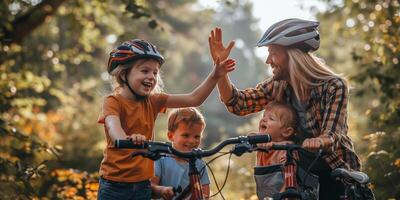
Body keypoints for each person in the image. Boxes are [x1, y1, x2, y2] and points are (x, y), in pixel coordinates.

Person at [208, 18, 361, 199]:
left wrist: (318, 141)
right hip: (296, 172)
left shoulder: (334, 86)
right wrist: (220, 70)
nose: (267, 60)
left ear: (293, 55)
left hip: (334, 169)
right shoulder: (278, 85)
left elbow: (332, 135)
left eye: (272, 53)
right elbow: (238, 103)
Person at [97, 39, 235, 200]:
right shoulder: (113, 101)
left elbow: (194, 98)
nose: (151, 77)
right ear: (124, 74)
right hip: (114, 185)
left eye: (155, 73)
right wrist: (128, 139)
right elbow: (114, 128)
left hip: (143, 185)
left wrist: (216, 74)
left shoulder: (153, 100)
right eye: (145, 71)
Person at [151, 107, 210, 200]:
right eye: (186, 135)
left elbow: (205, 194)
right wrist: (162, 190)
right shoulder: (161, 158)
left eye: (197, 136)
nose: (192, 141)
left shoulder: (199, 164)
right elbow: (151, 187)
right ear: (171, 136)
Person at [256, 101, 299, 167]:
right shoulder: (260, 142)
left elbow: (289, 169)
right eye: (264, 116)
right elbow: (251, 137)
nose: (264, 119)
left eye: (271, 118)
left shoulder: (287, 149)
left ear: (287, 132)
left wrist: (273, 146)